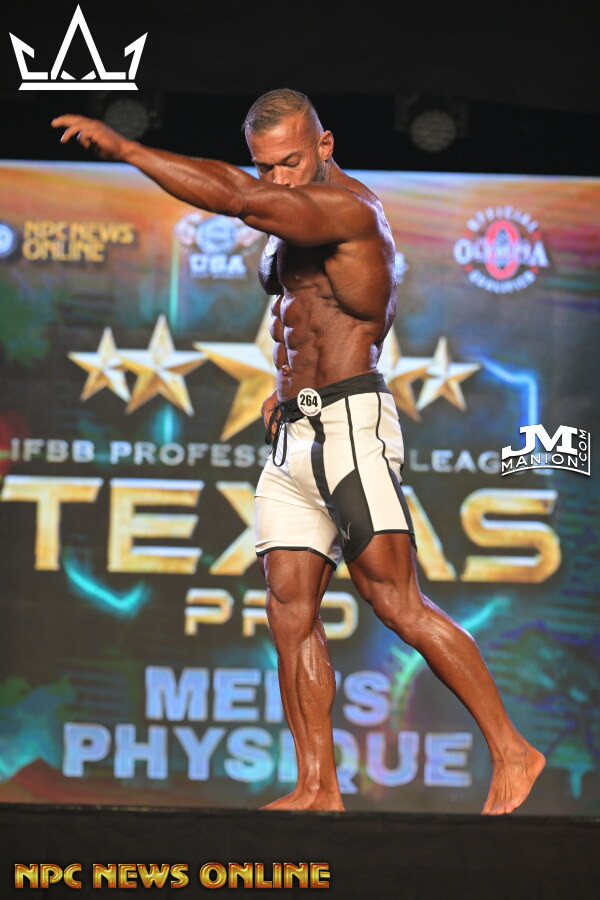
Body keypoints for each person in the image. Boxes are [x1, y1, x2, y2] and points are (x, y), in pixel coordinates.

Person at [52, 89, 545, 815]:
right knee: (289, 609)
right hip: (295, 436)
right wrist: (285, 394)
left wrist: (128, 149)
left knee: (395, 601)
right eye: (266, 166)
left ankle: (512, 749)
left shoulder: (347, 211)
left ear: (324, 145)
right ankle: (318, 787)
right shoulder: (293, 217)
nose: (277, 178)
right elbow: (304, 317)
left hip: (351, 432)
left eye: (289, 162)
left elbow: (237, 200)